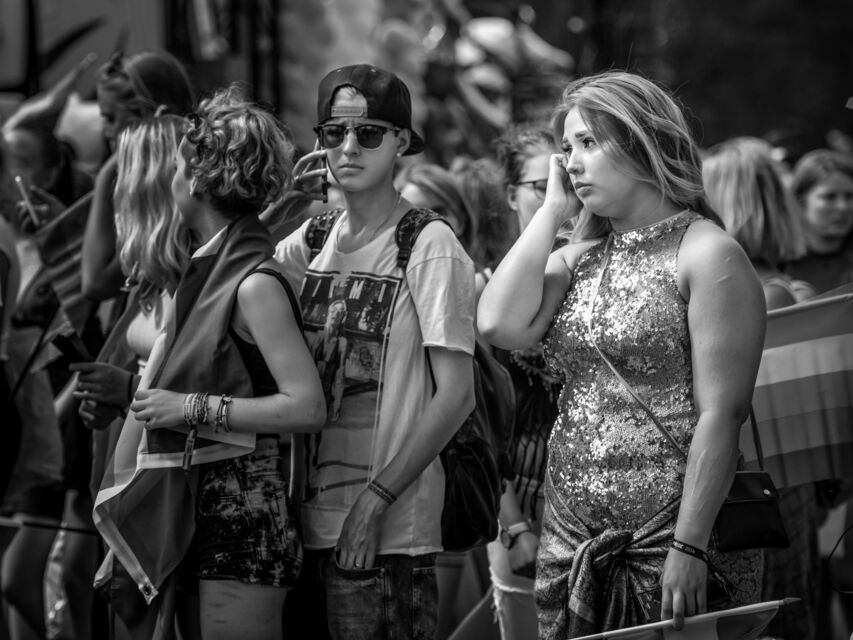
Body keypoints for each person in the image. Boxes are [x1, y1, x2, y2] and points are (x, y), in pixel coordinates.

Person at [478, 70, 766, 636]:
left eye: (588, 142)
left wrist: (690, 543)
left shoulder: (708, 252)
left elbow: (723, 413)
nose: (571, 163)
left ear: (642, 142)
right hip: (569, 535)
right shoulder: (578, 256)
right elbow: (497, 324)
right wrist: (550, 213)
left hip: (673, 537)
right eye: (566, 148)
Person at [93, 86, 325, 640]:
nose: (172, 179)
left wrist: (189, 407)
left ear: (197, 179)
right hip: (198, 506)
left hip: (244, 519)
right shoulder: (208, 274)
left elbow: (307, 406)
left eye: (177, 167)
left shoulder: (252, 284)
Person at [276, 63, 476, 640]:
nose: (348, 147)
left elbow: (456, 395)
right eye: (333, 132)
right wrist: (279, 209)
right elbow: (227, 286)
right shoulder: (313, 238)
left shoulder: (428, 242)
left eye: (368, 133)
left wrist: (376, 501)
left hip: (388, 540)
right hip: (305, 528)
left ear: (401, 143)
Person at [703, 136, 820, 639]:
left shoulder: (759, 294)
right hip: (783, 484)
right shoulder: (782, 287)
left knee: (767, 619)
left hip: (757, 490)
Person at [81, 49, 195, 304]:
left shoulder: (170, 190)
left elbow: (95, 282)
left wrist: (105, 176)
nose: (106, 132)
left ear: (147, 118)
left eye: (110, 118)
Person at [785, 149, 853, 293]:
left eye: (849, 196)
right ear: (800, 202)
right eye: (829, 197)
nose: (843, 207)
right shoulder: (778, 266)